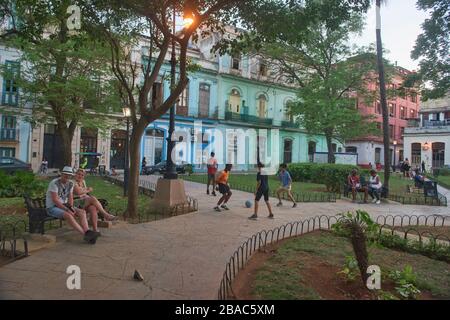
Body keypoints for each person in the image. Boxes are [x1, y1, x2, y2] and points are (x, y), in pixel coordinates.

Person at [45, 166, 98, 243]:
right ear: (62, 174)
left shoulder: (70, 183)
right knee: (68, 215)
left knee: (82, 212)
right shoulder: (54, 183)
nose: (67, 177)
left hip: (64, 205)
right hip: (52, 207)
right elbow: (55, 200)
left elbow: (70, 197)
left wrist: (71, 208)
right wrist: (67, 210)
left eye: (69, 175)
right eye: (65, 174)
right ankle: (85, 234)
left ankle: (87, 231)